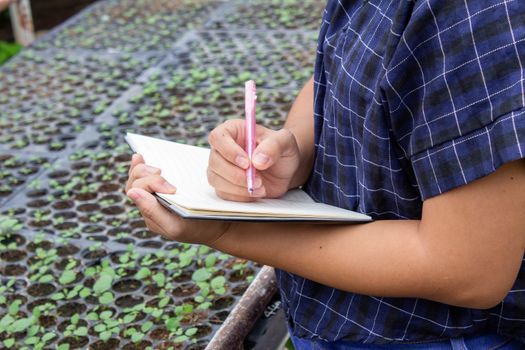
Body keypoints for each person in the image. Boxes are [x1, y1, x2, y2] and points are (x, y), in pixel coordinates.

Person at [126, 0, 525, 348]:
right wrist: (294, 149)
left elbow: (466, 269)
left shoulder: (478, 13)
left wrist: (227, 230)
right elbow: (337, 69)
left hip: (432, 335)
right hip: (339, 315)